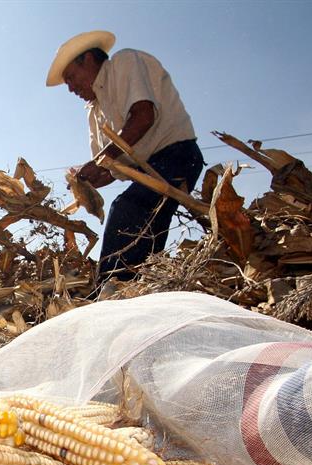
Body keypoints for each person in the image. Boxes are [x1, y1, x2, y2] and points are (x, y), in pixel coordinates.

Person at [47, 30, 204, 282]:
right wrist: (90, 179)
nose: (71, 88)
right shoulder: (94, 111)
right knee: (139, 224)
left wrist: (100, 161)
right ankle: (143, 285)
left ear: (87, 59)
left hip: (177, 154)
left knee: (127, 210)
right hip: (146, 171)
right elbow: (112, 167)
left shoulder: (124, 63)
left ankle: (113, 292)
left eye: (71, 78)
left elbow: (143, 116)